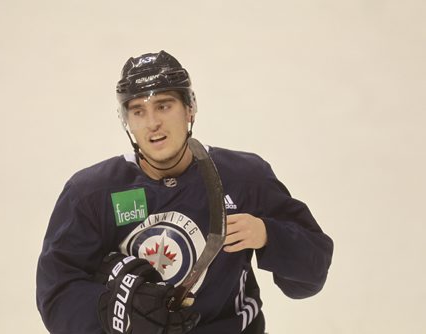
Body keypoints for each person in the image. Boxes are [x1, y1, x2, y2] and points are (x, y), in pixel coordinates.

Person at [36, 50, 334, 334]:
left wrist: (269, 235)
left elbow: (311, 277)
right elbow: (57, 291)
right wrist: (114, 313)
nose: (153, 123)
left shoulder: (244, 177)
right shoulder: (90, 193)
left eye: (164, 106)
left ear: (189, 109)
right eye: (138, 111)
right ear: (126, 121)